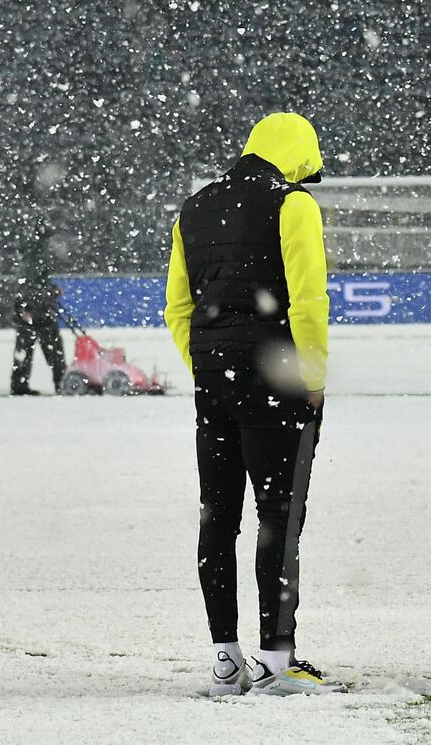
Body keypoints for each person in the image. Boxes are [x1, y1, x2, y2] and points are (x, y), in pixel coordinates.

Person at [164, 112, 338, 697]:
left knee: (219, 516)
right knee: (279, 519)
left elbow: (177, 308)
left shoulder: (195, 208)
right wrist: (311, 376)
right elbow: (308, 300)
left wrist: (210, 364)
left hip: (214, 376)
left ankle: (225, 659)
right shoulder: (293, 206)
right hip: (275, 372)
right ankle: (276, 659)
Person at [7, 224, 65, 396]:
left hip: (31, 309)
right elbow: (30, 284)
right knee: (54, 350)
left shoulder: (31, 254)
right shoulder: (36, 256)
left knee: (25, 350)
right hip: (36, 310)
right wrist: (30, 305)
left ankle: (19, 385)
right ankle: (61, 383)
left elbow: (29, 283)